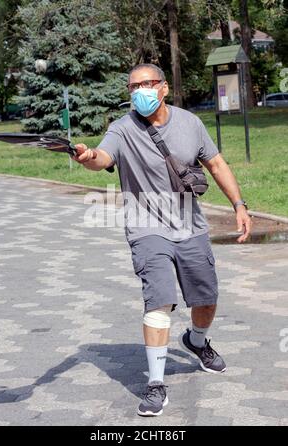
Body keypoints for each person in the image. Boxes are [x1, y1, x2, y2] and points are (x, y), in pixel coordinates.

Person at [72, 63, 252, 417]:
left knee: (206, 297)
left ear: (164, 88)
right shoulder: (122, 129)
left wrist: (239, 205)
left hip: (190, 224)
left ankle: (196, 341)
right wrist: (88, 156)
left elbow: (216, 165)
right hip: (145, 226)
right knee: (159, 300)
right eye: (133, 86)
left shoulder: (190, 123)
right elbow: (103, 156)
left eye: (147, 84)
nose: (140, 91)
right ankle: (156, 384)